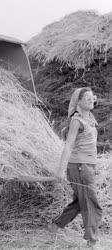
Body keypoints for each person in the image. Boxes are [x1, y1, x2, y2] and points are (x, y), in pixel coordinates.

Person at [49, 87, 102, 249]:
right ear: (78, 102)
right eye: (85, 98)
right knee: (91, 203)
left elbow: (89, 145)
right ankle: (92, 241)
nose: (90, 99)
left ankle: (56, 225)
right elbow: (69, 145)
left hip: (87, 166)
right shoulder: (76, 121)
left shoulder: (90, 118)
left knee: (81, 201)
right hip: (79, 167)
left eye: (91, 97)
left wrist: (94, 165)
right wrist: (60, 169)